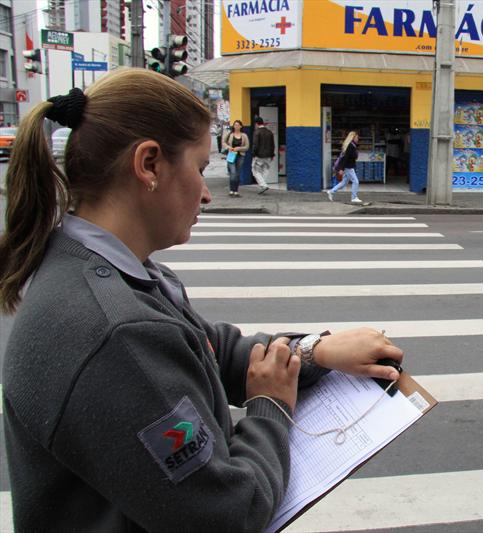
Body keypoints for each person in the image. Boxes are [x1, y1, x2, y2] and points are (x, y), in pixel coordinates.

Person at [0, 69, 403, 532]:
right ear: (149, 164)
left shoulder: (118, 270)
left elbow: (212, 350)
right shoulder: (116, 332)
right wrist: (271, 406)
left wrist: (314, 350)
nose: (208, 192)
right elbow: (229, 512)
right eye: (197, 165)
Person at [326, 130, 362, 204]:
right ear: (353, 137)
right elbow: (345, 158)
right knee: (356, 181)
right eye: (357, 137)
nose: (358, 139)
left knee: (344, 182)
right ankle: (354, 197)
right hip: (348, 167)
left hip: (349, 166)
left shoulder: (352, 145)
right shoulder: (350, 146)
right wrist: (341, 169)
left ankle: (331, 191)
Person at [222, 119, 249, 197]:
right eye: (235, 125)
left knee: (237, 173)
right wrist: (228, 147)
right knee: (233, 172)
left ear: (241, 126)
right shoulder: (230, 134)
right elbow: (223, 142)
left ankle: (236, 191)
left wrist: (239, 148)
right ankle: (231, 190)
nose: (236, 126)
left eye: (238, 125)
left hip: (240, 155)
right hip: (231, 155)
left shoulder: (244, 136)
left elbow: (247, 147)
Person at [251, 116, 275, 195]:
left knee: (255, 171)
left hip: (259, 156)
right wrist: (272, 154)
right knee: (265, 170)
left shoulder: (257, 132)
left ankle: (263, 185)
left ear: (256, 124)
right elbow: (272, 145)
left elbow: (255, 144)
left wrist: (253, 154)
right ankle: (263, 186)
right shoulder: (269, 132)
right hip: (268, 155)